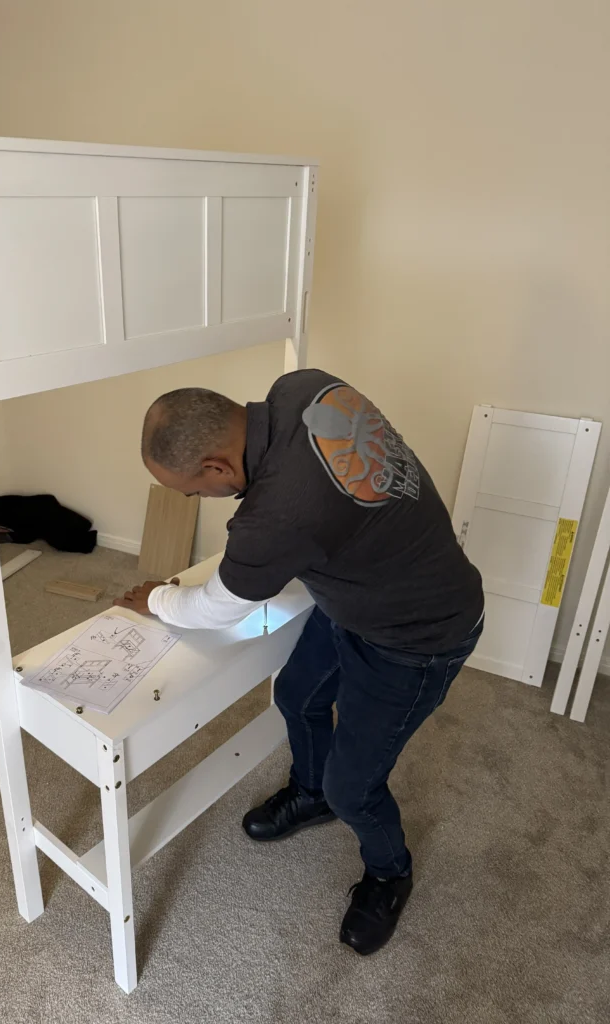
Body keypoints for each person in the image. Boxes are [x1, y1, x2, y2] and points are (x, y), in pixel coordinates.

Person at [114, 369, 483, 955]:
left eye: (189, 490)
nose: (193, 499)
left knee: (354, 788)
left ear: (215, 468)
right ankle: (309, 792)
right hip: (357, 596)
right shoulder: (302, 387)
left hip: (417, 636)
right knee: (298, 696)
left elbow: (215, 608)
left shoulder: (278, 512)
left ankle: (390, 873)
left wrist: (158, 597)